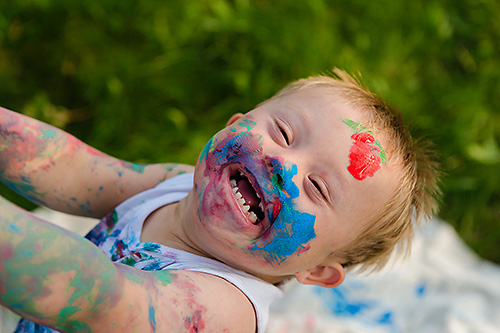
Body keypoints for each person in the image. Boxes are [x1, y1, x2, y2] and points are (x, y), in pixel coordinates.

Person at [0, 69, 440, 332]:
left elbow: (98, 296)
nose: (284, 166)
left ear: (316, 270)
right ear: (235, 123)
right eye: (284, 134)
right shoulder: (174, 186)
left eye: (317, 188)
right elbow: (75, 169)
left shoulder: (224, 309)